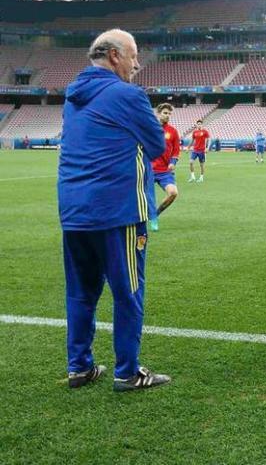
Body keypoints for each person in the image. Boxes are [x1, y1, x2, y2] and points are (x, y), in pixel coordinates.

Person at [58, 29, 170, 392]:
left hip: (73, 210)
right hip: (117, 211)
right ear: (114, 56)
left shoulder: (72, 95)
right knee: (128, 292)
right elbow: (156, 145)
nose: (138, 64)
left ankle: (80, 367)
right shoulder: (127, 95)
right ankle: (127, 371)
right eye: (134, 55)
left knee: (80, 292)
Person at [149, 103, 181, 231]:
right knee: (147, 197)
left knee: (173, 193)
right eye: (165, 113)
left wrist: (173, 162)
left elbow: (176, 150)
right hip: (149, 169)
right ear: (158, 113)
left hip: (165, 171)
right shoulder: (150, 128)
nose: (167, 116)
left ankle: (155, 215)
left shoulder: (173, 131)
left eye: (169, 114)